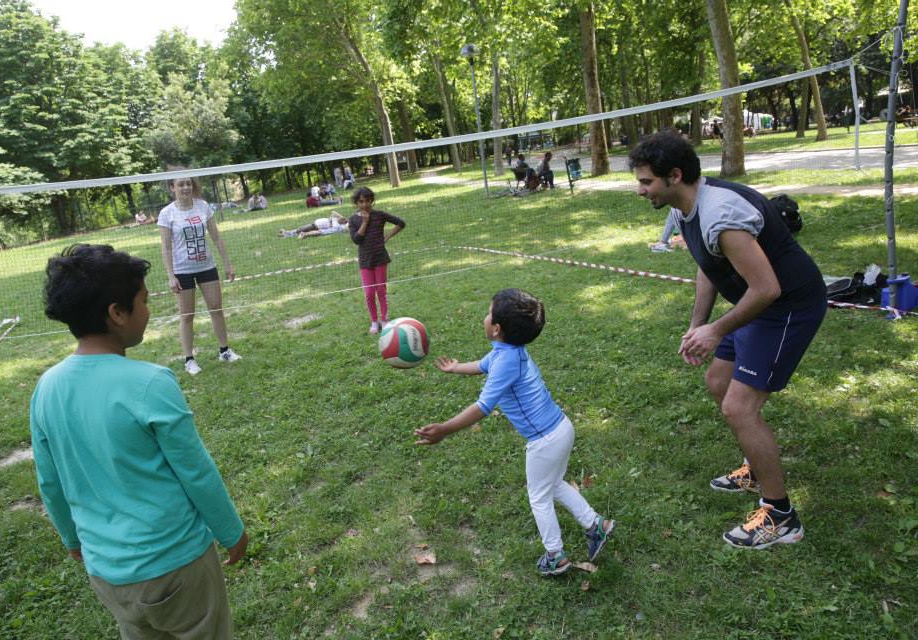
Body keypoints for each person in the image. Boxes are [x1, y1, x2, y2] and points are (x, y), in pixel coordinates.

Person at [32, 244, 248, 639]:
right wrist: (231, 531)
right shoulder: (150, 384)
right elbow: (195, 471)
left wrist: (71, 538)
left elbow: (49, 482)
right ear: (117, 313)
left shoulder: (46, 388)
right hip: (177, 566)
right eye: (144, 301)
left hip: (107, 573)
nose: (149, 310)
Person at [629, 132, 827, 549]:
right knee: (718, 382)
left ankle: (781, 516)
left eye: (646, 181)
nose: (640, 189)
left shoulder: (721, 215)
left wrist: (717, 329)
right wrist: (697, 322)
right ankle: (756, 467)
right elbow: (709, 265)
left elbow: (768, 289)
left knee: (740, 407)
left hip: (786, 306)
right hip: (758, 303)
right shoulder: (689, 206)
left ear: (674, 176)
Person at [415, 289, 615, 576]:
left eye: (488, 313)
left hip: (544, 440)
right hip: (560, 428)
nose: (484, 317)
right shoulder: (507, 351)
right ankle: (597, 525)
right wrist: (457, 367)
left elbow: (483, 406)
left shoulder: (507, 361)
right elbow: (483, 366)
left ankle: (555, 556)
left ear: (496, 329)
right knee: (554, 484)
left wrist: (444, 429)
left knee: (539, 496)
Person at [158, 173, 242, 376]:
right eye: (181, 185)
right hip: (182, 270)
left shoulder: (203, 206)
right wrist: (171, 275)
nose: (186, 187)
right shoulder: (167, 213)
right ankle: (189, 360)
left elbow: (216, 238)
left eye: (188, 183)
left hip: (207, 266)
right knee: (187, 315)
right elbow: (166, 248)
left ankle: (224, 351)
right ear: (172, 188)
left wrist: (227, 264)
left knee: (216, 308)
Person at [348, 187, 405, 334]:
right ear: (356, 203)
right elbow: (356, 240)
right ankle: (374, 321)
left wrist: (387, 237)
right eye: (361, 201)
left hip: (380, 258)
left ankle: (385, 319)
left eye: (367, 201)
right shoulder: (353, 219)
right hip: (365, 261)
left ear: (372, 201)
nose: (365, 204)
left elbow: (400, 223)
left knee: (381, 290)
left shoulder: (379, 215)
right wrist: (365, 222)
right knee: (369, 292)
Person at [281, 211, 349, 238]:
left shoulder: (337, 225)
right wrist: (340, 216)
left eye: (342, 220)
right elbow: (333, 212)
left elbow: (334, 228)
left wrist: (332, 222)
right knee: (301, 229)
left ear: (343, 222)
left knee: (301, 230)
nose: (340, 219)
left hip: (316, 226)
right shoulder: (335, 219)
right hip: (315, 224)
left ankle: (288, 233)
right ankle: (288, 233)